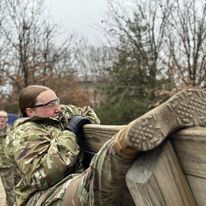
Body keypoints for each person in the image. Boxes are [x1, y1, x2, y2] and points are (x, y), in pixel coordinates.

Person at [4, 85, 206, 206]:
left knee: (119, 185)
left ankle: (147, 129)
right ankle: (125, 143)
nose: (57, 108)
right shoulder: (24, 133)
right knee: (92, 188)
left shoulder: (58, 113)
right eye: (49, 105)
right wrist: (68, 134)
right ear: (30, 112)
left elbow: (86, 112)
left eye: (56, 101)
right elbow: (43, 176)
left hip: (74, 179)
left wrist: (76, 119)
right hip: (41, 197)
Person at [0, 110, 16, 206]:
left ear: (7, 119)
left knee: (10, 189)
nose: (2, 119)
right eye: (0, 117)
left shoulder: (12, 132)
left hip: (7, 165)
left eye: (4, 117)